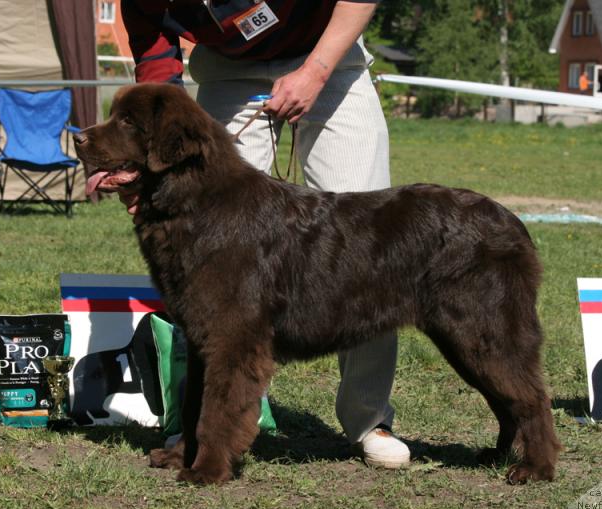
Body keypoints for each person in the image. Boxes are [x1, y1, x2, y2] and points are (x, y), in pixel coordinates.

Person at [121, 0, 410, 469]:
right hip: (227, 74)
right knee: (208, 255)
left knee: (366, 243)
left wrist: (315, 71)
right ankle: (203, 431)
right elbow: (157, 72)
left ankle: (368, 418)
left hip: (330, 58)